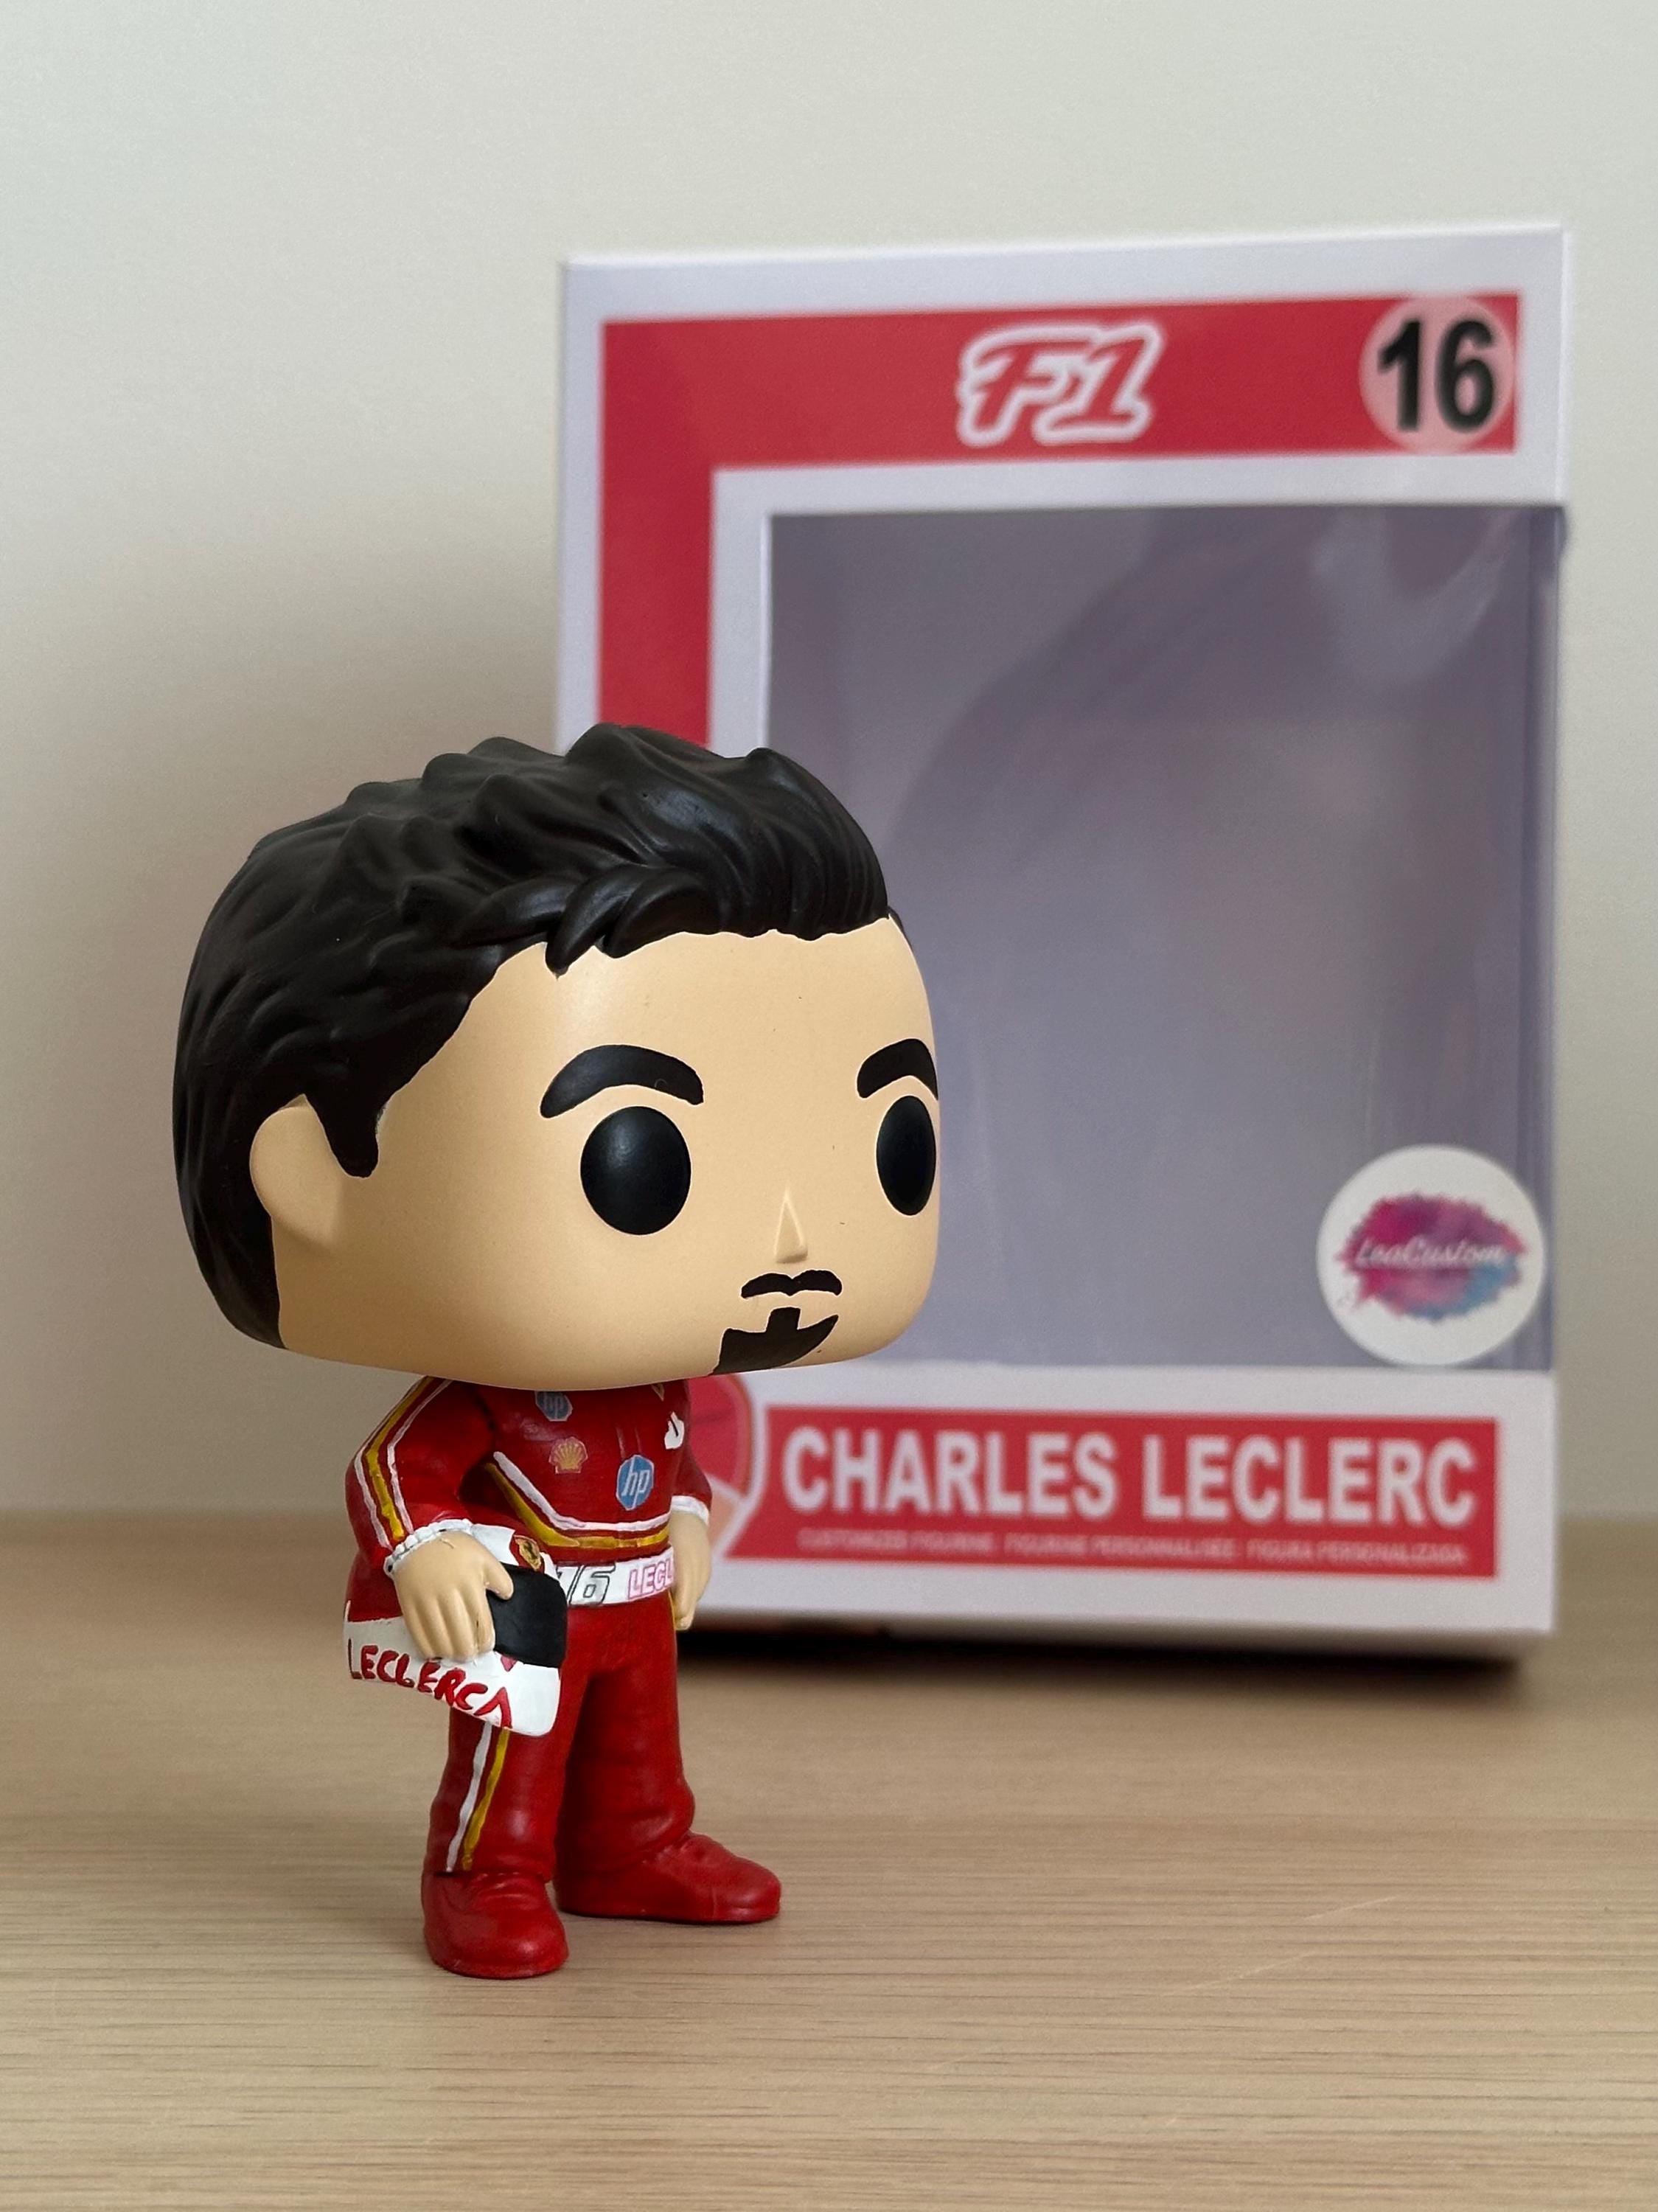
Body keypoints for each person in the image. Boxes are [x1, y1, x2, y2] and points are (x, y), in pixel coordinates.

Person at [173, 723, 940, 1977]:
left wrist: (685, 1518)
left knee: (640, 1742)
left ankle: (633, 1845)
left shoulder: (653, 1372)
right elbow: (396, 1469)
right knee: (514, 1749)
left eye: (893, 1145)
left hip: (635, 1596)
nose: (793, 1241)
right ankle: (484, 1871)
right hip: (530, 1597)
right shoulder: (494, 1398)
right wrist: (427, 1552)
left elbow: (670, 1451)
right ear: (313, 1176)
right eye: (641, 1162)